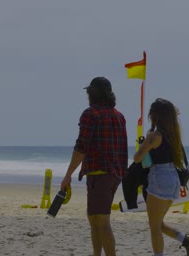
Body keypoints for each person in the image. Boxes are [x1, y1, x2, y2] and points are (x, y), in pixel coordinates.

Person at [61, 77, 128, 256]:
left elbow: (81, 146)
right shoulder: (119, 116)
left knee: (102, 221)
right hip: (114, 174)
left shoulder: (90, 114)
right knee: (94, 220)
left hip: (100, 173)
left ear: (92, 93)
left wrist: (68, 175)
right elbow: (122, 148)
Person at [134, 98, 189, 256]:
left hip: (159, 178)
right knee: (159, 223)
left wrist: (142, 145)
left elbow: (137, 158)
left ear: (155, 115)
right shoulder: (173, 134)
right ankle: (187, 241)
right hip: (173, 178)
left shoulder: (154, 135)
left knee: (154, 227)